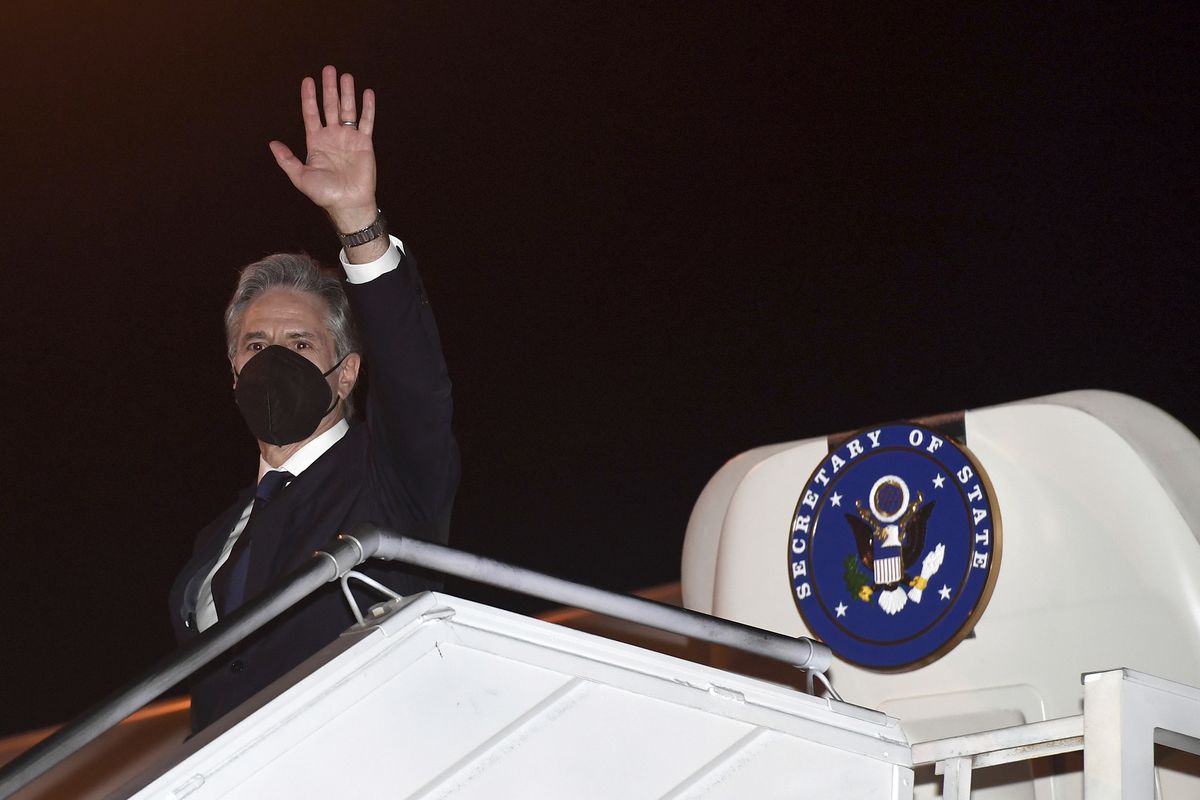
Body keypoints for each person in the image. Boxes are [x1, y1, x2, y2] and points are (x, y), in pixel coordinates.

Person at [168, 66, 459, 732]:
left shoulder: (388, 479)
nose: (271, 358)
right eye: (255, 344)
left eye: (298, 344)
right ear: (233, 369)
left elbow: (417, 380)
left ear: (347, 373)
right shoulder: (218, 535)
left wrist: (357, 223)